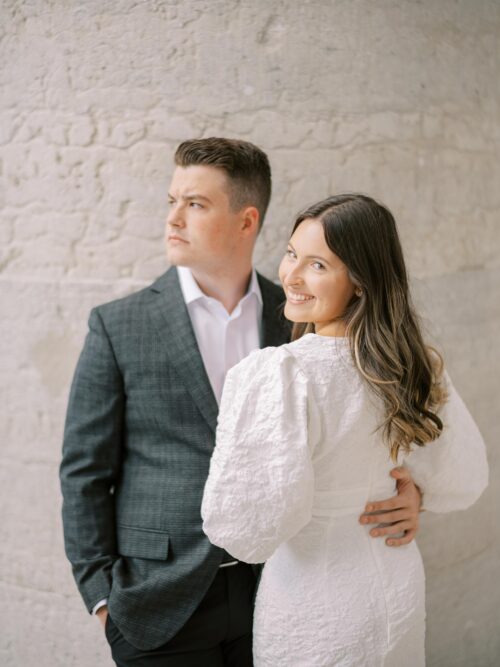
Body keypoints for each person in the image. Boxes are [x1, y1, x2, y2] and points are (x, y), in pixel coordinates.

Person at [60, 142, 422, 667]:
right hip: (157, 601)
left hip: (279, 592)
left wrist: (413, 494)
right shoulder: (119, 325)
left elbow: (364, 430)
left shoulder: (303, 313)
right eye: (172, 200)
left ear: (246, 220)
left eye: (196, 204)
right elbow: (84, 471)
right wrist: (101, 597)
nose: (173, 218)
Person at [201, 193, 489, 666]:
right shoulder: (416, 365)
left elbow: (243, 530)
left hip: (314, 602)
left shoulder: (282, 374)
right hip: (395, 584)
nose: (290, 275)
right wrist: (417, 492)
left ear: (360, 281)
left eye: (316, 265)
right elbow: (464, 477)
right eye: (292, 253)